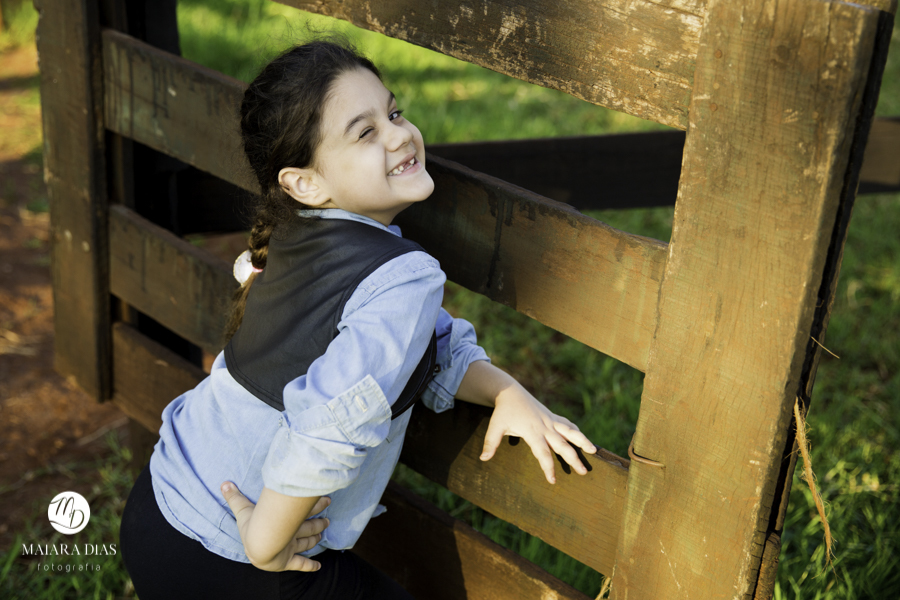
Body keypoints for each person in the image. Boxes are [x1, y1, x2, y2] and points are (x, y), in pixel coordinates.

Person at [119, 38, 597, 600]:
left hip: (158, 506)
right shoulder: (404, 275)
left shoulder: (297, 233)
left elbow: (412, 344)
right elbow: (325, 427)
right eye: (365, 132)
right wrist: (265, 543)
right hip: (241, 556)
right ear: (305, 182)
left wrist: (504, 391)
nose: (399, 134)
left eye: (393, 112)